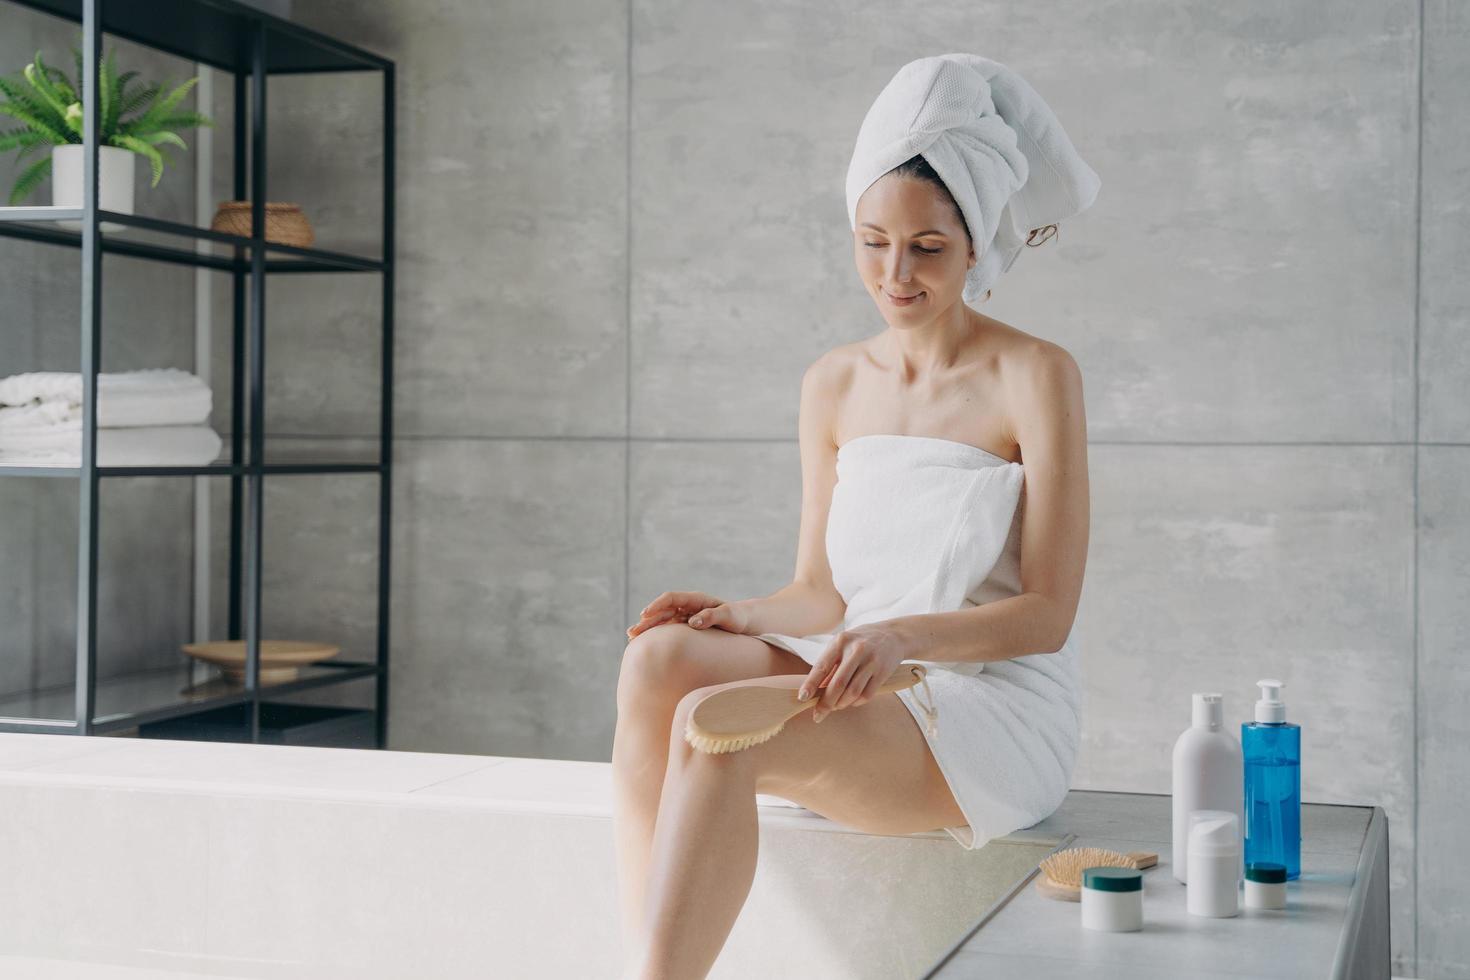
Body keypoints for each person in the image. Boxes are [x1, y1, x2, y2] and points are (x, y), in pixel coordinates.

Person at [612, 54, 1098, 979]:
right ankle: (645, 950)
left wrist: (898, 639)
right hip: (860, 662)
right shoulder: (833, 381)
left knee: (717, 723)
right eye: (872, 241)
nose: (895, 273)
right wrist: (743, 615)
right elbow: (820, 591)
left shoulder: (1036, 376)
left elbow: (1048, 614)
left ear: (979, 243)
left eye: (928, 248)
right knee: (659, 663)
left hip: (987, 707)